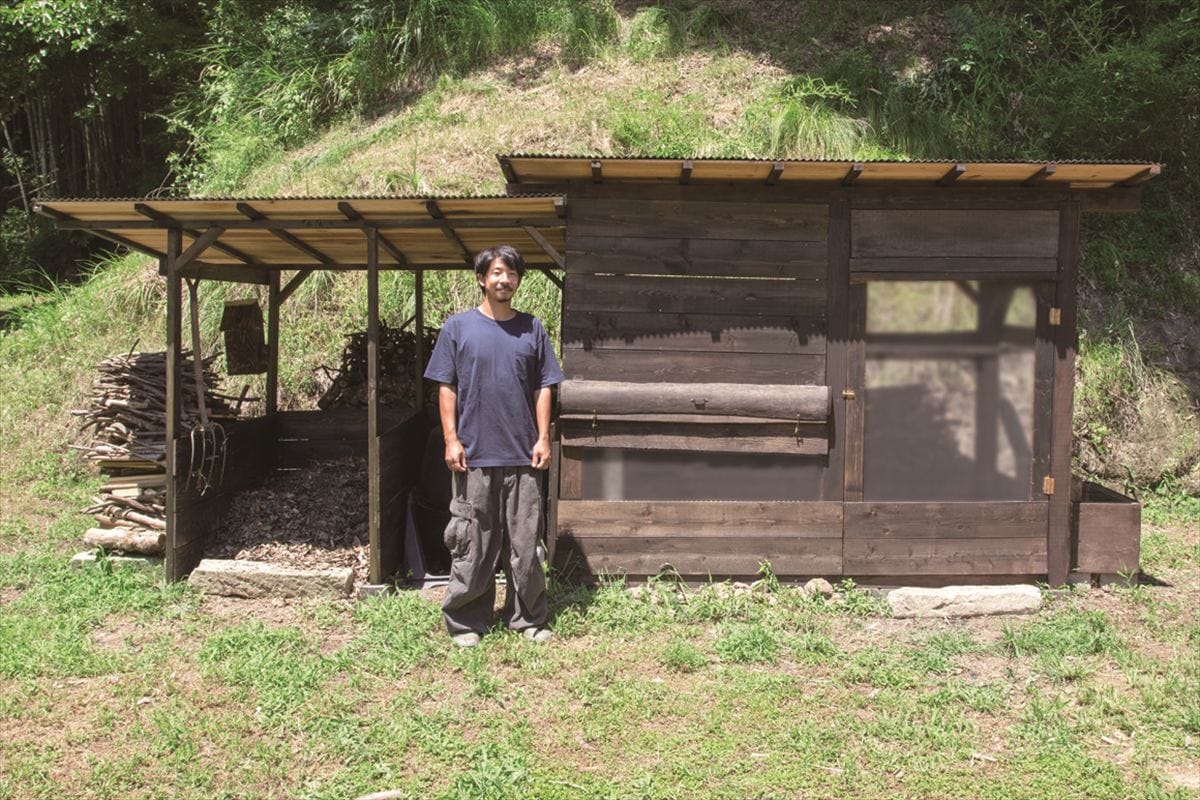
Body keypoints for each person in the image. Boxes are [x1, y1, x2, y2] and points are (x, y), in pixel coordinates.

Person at [423, 244, 564, 647]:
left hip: (523, 455)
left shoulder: (532, 328)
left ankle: (528, 619)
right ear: (482, 279)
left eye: (512, 273)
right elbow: (446, 386)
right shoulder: (458, 328)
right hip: (475, 455)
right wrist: (451, 440)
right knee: (473, 542)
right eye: (497, 273)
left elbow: (544, 387)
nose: (505, 280)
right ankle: (467, 622)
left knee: (525, 543)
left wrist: (542, 437)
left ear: (518, 281)